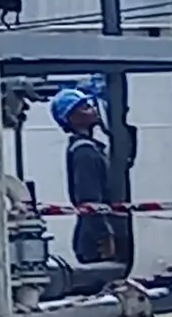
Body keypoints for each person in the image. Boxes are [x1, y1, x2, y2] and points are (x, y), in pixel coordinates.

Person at [54, 90, 130, 279]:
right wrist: (104, 237)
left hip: (96, 232)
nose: (93, 109)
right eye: (85, 107)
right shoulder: (85, 152)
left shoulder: (90, 147)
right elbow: (89, 199)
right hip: (96, 238)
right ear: (72, 118)